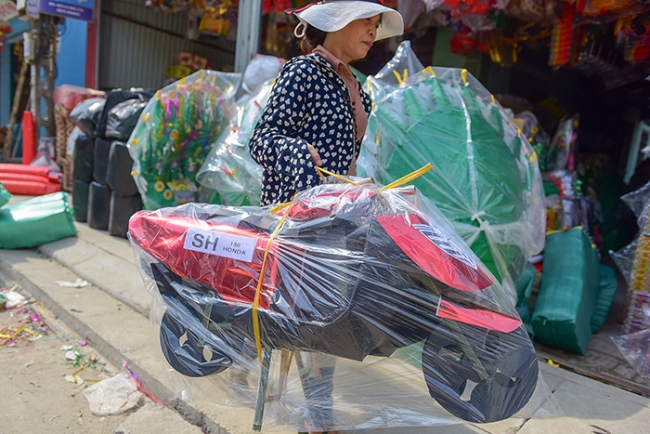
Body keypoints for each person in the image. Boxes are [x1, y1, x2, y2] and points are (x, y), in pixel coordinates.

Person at [249, 2, 404, 433]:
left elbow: (346, 159)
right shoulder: (304, 73)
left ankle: (316, 414)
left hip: (335, 223)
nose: (373, 32)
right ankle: (310, 414)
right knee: (301, 316)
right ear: (336, 23)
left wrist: (360, 190)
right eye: (366, 23)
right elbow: (262, 138)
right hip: (295, 221)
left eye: (377, 26)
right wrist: (302, 158)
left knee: (324, 317)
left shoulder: (355, 85)